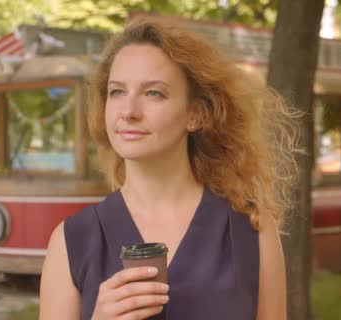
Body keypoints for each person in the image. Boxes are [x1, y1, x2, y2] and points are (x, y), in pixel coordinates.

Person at [39, 16, 298, 320]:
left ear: (196, 115)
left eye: (153, 93)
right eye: (117, 91)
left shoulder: (252, 231)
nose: (129, 112)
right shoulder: (71, 241)